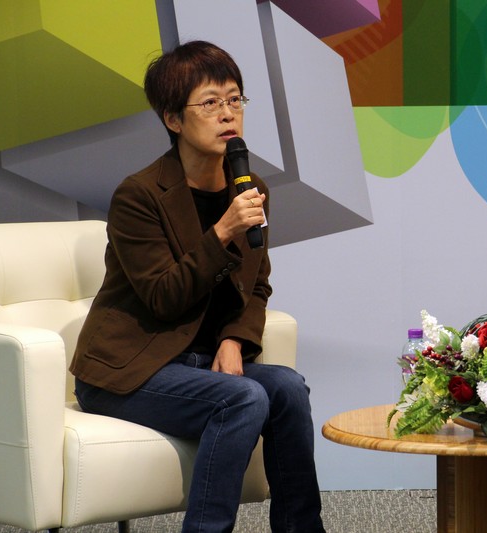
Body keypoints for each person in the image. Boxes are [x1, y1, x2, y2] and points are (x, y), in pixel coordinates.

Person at [70, 40, 326, 533]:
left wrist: (234, 342)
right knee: (246, 398)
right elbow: (163, 296)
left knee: (288, 388)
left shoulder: (251, 188)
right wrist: (223, 232)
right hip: (129, 370)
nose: (227, 114)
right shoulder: (138, 195)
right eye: (210, 103)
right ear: (173, 120)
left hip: (201, 361)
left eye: (235, 99)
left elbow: (257, 287)